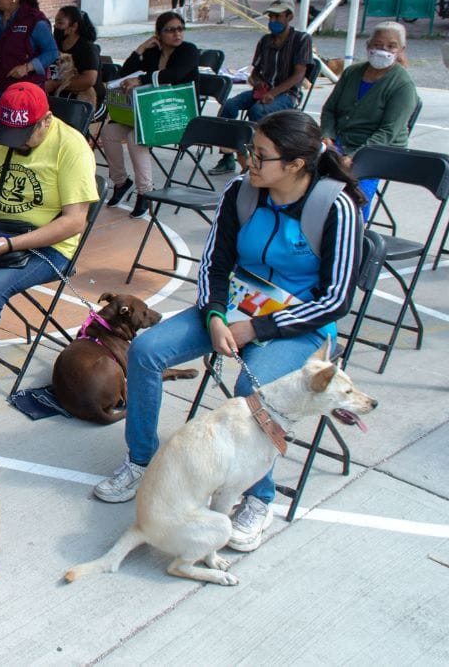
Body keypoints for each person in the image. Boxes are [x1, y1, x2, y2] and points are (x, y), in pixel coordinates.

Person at [94, 110, 364, 553]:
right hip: (234, 307)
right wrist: (217, 316)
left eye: (260, 156)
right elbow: (214, 265)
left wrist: (255, 328)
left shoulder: (336, 208)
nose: (248, 162)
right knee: (146, 351)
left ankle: (259, 497)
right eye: (250, 152)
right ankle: (142, 459)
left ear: (296, 164)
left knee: (253, 388)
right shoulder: (241, 192)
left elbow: (335, 300)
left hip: (299, 325)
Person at [0, 83, 98, 405]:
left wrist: (13, 246)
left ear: (46, 120)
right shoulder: (3, 136)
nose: (19, 143)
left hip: (48, 246)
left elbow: (74, 222)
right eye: (11, 134)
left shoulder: (71, 146)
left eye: (25, 134)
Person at [100, 11, 199, 217]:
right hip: (148, 115)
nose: (177, 34)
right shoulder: (153, 53)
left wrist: (143, 80)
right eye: (170, 30)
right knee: (108, 132)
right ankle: (120, 182)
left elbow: (176, 75)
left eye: (180, 29)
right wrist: (140, 50)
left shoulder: (188, 51)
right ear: (159, 34)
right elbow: (126, 73)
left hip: (176, 117)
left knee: (135, 137)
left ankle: (145, 192)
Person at [320, 22, 418, 215]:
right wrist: (327, 136)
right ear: (368, 45)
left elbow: (388, 131)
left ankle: (356, 225)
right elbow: (330, 109)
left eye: (391, 46)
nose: (383, 50)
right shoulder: (351, 73)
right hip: (342, 140)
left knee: (357, 185)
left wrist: (354, 156)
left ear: (401, 50)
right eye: (378, 44)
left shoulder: (402, 84)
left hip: (379, 149)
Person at [210, 0, 313, 175]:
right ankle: (227, 157)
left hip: (286, 94)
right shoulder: (266, 40)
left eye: (277, 17)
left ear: (289, 17)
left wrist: (273, 93)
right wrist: (257, 82)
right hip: (262, 90)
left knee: (258, 112)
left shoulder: (301, 39)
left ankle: (253, 158)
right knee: (229, 105)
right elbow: (254, 72)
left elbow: (299, 74)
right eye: (271, 16)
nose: (273, 20)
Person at [44, 5, 100, 102]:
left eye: (60, 23)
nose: (55, 26)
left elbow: (89, 80)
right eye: (55, 22)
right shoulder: (55, 45)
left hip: (86, 103)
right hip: (62, 100)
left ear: (74, 26)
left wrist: (55, 84)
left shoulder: (88, 49)